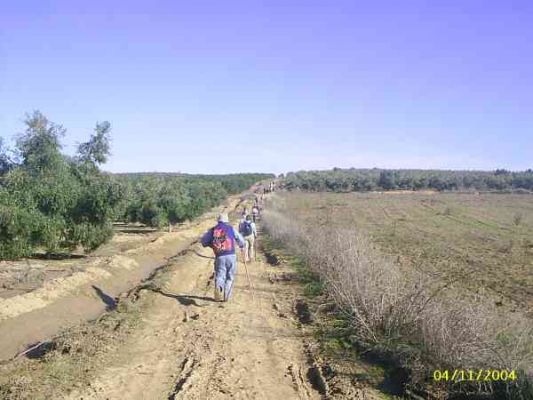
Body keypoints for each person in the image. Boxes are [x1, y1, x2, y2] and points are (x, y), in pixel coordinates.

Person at [201, 213, 245, 302]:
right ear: (227, 220)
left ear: (218, 220)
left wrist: (212, 245)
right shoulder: (231, 229)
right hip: (231, 255)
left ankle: (218, 288)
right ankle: (226, 297)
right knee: (230, 277)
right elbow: (241, 240)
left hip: (220, 256)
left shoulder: (213, 230)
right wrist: (241, 246)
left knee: (220, 276)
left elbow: (203, 242)